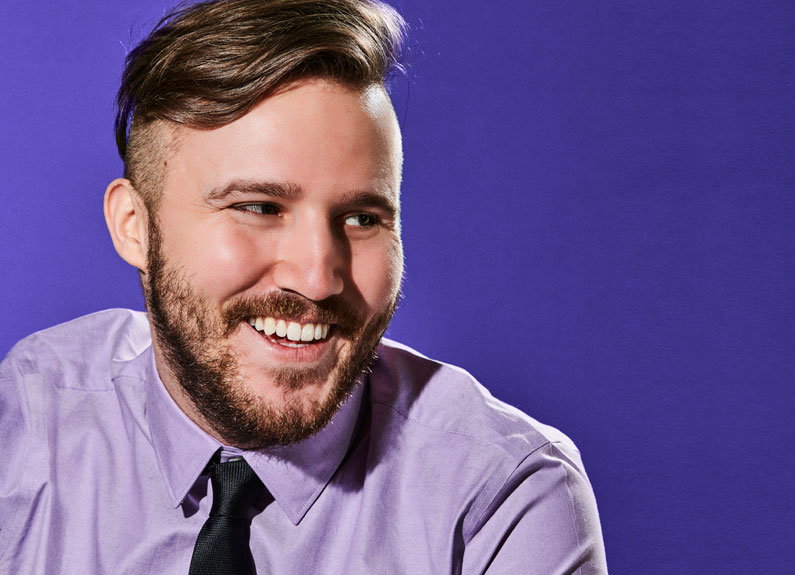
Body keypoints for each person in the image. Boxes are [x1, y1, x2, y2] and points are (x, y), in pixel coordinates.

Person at [0, 0, 608, 572]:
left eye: (363, 219)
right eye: (259, 207)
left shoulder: (498, 499)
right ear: (134, 227)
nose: (318, 279)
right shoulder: (24, 437)